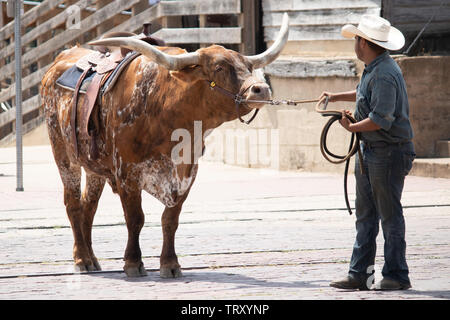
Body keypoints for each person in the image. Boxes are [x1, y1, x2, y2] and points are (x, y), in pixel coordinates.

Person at [322, 15, 416, 290]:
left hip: (387, 152)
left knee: (388, 215)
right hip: (371, 151)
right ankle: (360, 273)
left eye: (356, 39)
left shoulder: (385, 73)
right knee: (365, 214)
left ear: (363, 42)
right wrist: (337, 97)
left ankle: (397, 275)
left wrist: (352, 127)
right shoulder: (374, 68)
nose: (355, 43)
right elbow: (364, 93)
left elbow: (380, 119)